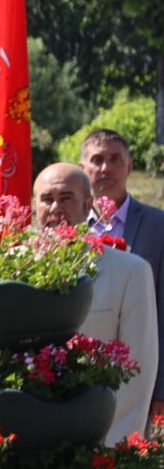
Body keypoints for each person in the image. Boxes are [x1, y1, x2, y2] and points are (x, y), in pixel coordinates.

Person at [33, 164, 159, 444]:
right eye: (46, 199)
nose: (55, 208)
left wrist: (112, 451)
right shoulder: (8, 267)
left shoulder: (129, 272)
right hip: (29, 442)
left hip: (96, 444)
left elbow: (137, 371)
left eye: (67, 198)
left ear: (88, 205)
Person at [83, 127, 164, 339]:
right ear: (82, 169)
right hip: (78, 357)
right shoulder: (71, 227)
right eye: (97, 160)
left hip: (140, 350)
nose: (105, 168)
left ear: (129, 167)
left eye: (115, 159)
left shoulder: (158, 225)